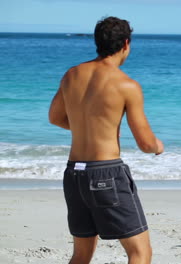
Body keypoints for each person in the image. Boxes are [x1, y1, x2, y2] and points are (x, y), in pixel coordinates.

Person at [49, 16, 164, 264]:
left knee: (80, 255)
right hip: (106, 174)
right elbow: (145, 143)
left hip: (74, 175)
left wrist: (87, 127)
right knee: (140, 253)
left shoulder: (72, 74)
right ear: (125, 44)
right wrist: (158, 146)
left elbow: (55, 117)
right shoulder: (126, 84)